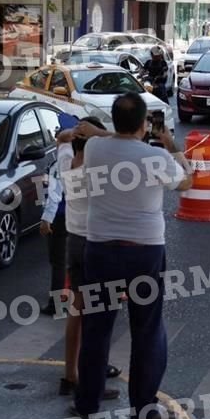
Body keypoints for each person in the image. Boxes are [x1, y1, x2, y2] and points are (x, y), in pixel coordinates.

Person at [72, 93, 193, 419]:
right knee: (147, 330)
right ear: (144, 124)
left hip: (99, 250)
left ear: (114, 121)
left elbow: (111, 137)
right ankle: (143, 410)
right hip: (144, 251)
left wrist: (105, 133)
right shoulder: (155, 156)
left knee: (96, 329)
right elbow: (187, 181)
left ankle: (87, 404)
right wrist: (170, 144)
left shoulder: (96, 149)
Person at [52, 117, 123, 398]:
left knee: (77, 312)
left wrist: (79, 132)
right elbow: (126, 142)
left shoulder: (65, 160)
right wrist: (100, 133)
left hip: (74, 240)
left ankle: (70, 375)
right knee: (98, 319)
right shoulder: (98, 170)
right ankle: (93, 380)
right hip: (97, 244)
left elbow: (61, 138)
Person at [40, 156, 68, 317]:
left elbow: (54, 193)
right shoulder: (89, 159)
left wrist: (47, 218)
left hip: (60, 216)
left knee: (58, 261)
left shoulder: (61, 164)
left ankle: (55, 304)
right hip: (78, 216)